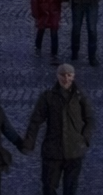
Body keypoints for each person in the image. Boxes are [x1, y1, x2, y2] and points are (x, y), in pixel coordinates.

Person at [22, 63, 94, 195]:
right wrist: (29, 141)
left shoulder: (80, 97)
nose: (66, 79)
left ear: (73, 76)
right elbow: (35, 120)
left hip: (74, 151)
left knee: (70, 190)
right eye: (62, 75)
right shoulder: (48, 97)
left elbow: (89, 119)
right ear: (57, 76)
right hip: (53, 151)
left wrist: (85, 139)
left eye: (69, 75)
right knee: (49, 188)